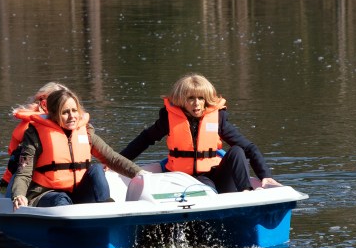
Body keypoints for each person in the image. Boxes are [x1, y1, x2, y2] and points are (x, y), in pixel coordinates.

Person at [119, 73, 280, 193]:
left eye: (201, 98)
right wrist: (116, 162)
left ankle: (246, 192)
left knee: (237, 151)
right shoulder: (169, 118)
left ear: (206, 99)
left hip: (212, 175)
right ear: (182, 100)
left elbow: (249, 148)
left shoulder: (218, 118)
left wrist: (265, 175)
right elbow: (145, 139)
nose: (196, 104)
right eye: (191, 98)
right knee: (206, 190)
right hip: (181, 179)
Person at [10, 85, 147, 209]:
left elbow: (112, 158)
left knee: (97, 169)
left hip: (78, 194)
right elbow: (23, 172)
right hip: (46, 194)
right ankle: (70, 231)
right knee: (60, 199)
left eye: (74, 111)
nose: (72, 117)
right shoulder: (35, 134)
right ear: (53, 114)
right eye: (65, 112)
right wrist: (19, 195)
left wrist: (140, 173)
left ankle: (106, 211)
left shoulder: (86, 132)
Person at [0, 82, 64, 194]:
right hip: (16, 182)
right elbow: (22, 166)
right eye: (59, 103)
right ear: (44, 104)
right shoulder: (31, 128)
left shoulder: (64, 124)